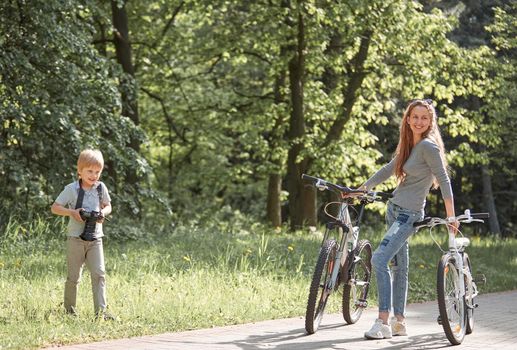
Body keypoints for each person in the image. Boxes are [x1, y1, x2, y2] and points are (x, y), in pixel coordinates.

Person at [360, 99, 457, 339]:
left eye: (424, 118)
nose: (419, 121)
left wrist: (451, 214)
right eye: (415, 116)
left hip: (408, 215)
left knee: (379, 260)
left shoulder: (428, 147)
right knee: (399, 267)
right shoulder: (408, 145)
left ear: (430, 121)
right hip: (393, 209)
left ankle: (382, 321)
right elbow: (389, 168)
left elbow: (444, 180)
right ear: (408, 118)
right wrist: (363, 187)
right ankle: (399, 322)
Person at [51, 149, 115, 320]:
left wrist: (103, 213)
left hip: (96, 239)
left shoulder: (101, 188)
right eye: (90, 171)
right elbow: (55, 207)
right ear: (80, 170)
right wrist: (72, 212)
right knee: (73, 277)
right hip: (75, 239)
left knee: (99, 274)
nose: (94, 175)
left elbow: (108, 206)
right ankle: (69, 312)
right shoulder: (71, 189)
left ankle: (100, 313)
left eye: (97, 172)